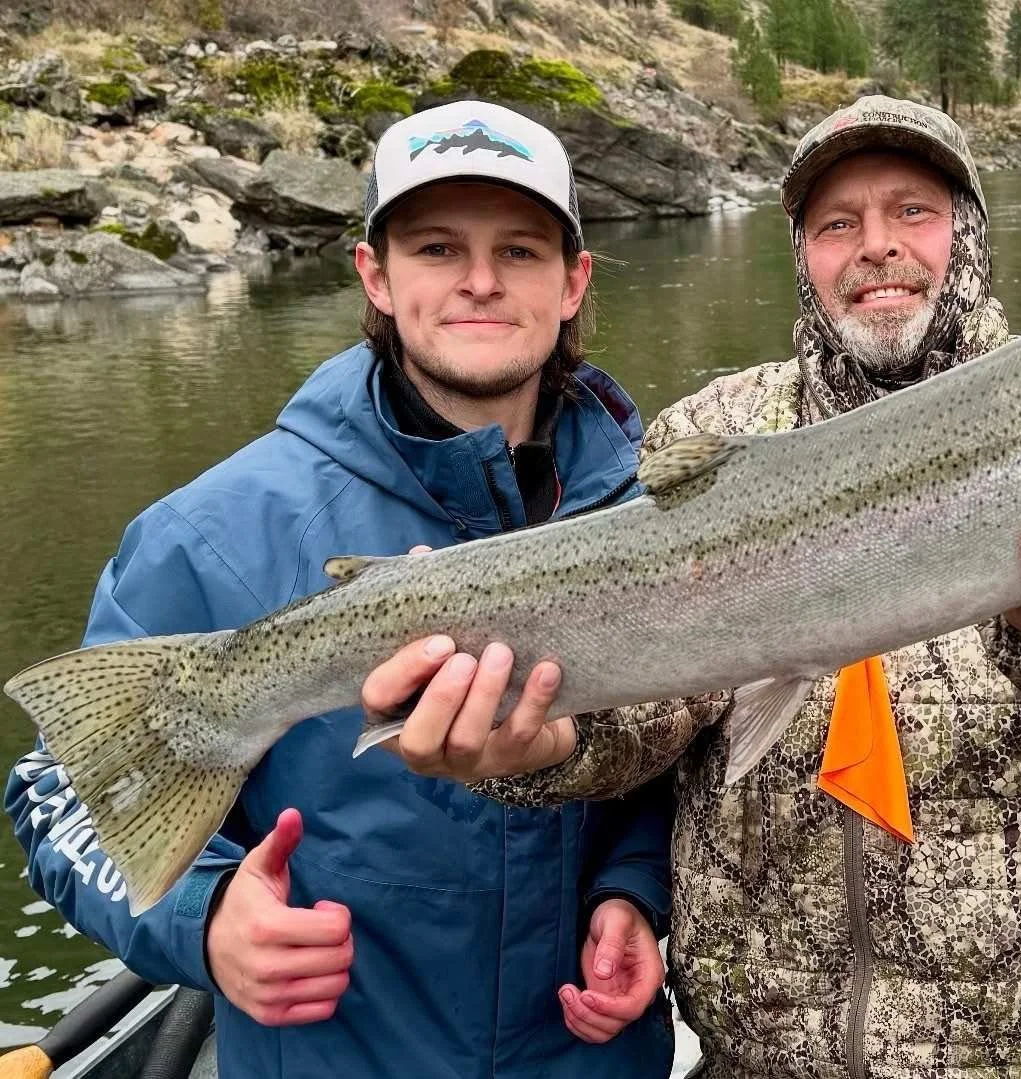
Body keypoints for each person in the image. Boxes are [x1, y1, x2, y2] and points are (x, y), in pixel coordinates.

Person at [366, 96, 1021, 1078]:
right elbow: (665, 700)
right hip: (765, 1049)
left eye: (911, 211)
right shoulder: (713, 430)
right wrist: (550, 741)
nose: (878, 246)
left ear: (967, 234)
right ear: (803, 253)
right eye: (839, 223)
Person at [5, 99, 677, 1078]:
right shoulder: (209, 534)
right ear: (375, 273)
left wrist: (634, 889)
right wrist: (211, 915)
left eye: (521, 251)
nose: (481, 281)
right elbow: (60, 793)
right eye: (439, 247)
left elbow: (675, 753)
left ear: (574, 281)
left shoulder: (663, 501)